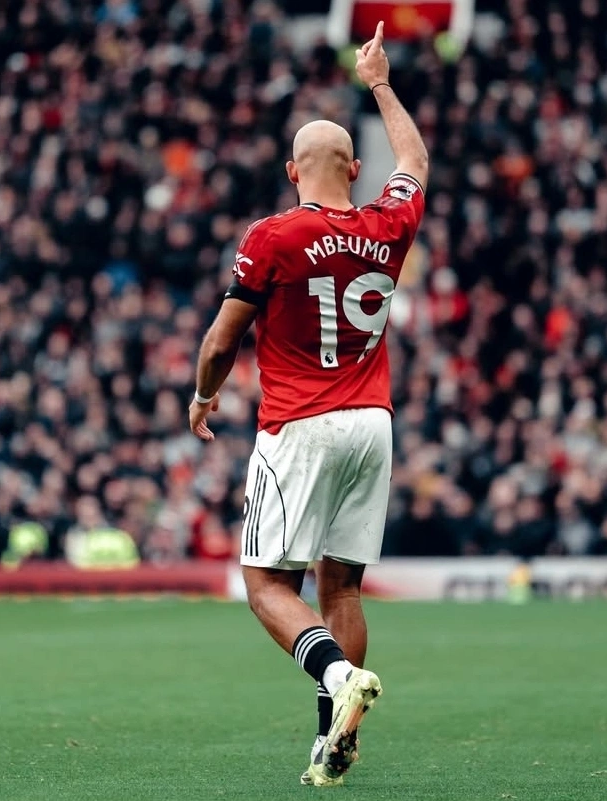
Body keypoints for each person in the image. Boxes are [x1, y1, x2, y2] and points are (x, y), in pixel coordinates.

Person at [189, 21, 428, 786]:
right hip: (373, 423)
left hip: (300, 424)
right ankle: (333, 740)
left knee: (264, 584)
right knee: (343, 586)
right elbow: (417, 160)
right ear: (356, 169)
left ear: (293, 170)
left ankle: (335, 679)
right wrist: (380, 82)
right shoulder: (389, 222)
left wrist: (203, 394)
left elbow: (223, 339)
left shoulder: (274, 235)